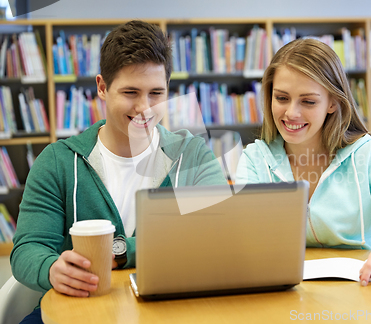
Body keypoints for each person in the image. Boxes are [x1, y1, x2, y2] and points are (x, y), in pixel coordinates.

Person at [11, 20, 227, 323]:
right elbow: (27, 250)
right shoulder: (58, 161)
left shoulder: (192, 155)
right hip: (81, 309)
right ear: (102, 87)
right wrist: (50, 268)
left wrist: (122, 251)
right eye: (130, 92)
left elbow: (216, 237)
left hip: (170, 311)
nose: (144, 108)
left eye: (156, 93)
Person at [235, 38, 371, 285]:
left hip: (365, 290)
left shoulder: (366, 155)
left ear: (333, 103)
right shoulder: (255, 159)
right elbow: (241, 238)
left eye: (308, 101)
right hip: (289, 293)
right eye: (281, 98)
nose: (291, 113)